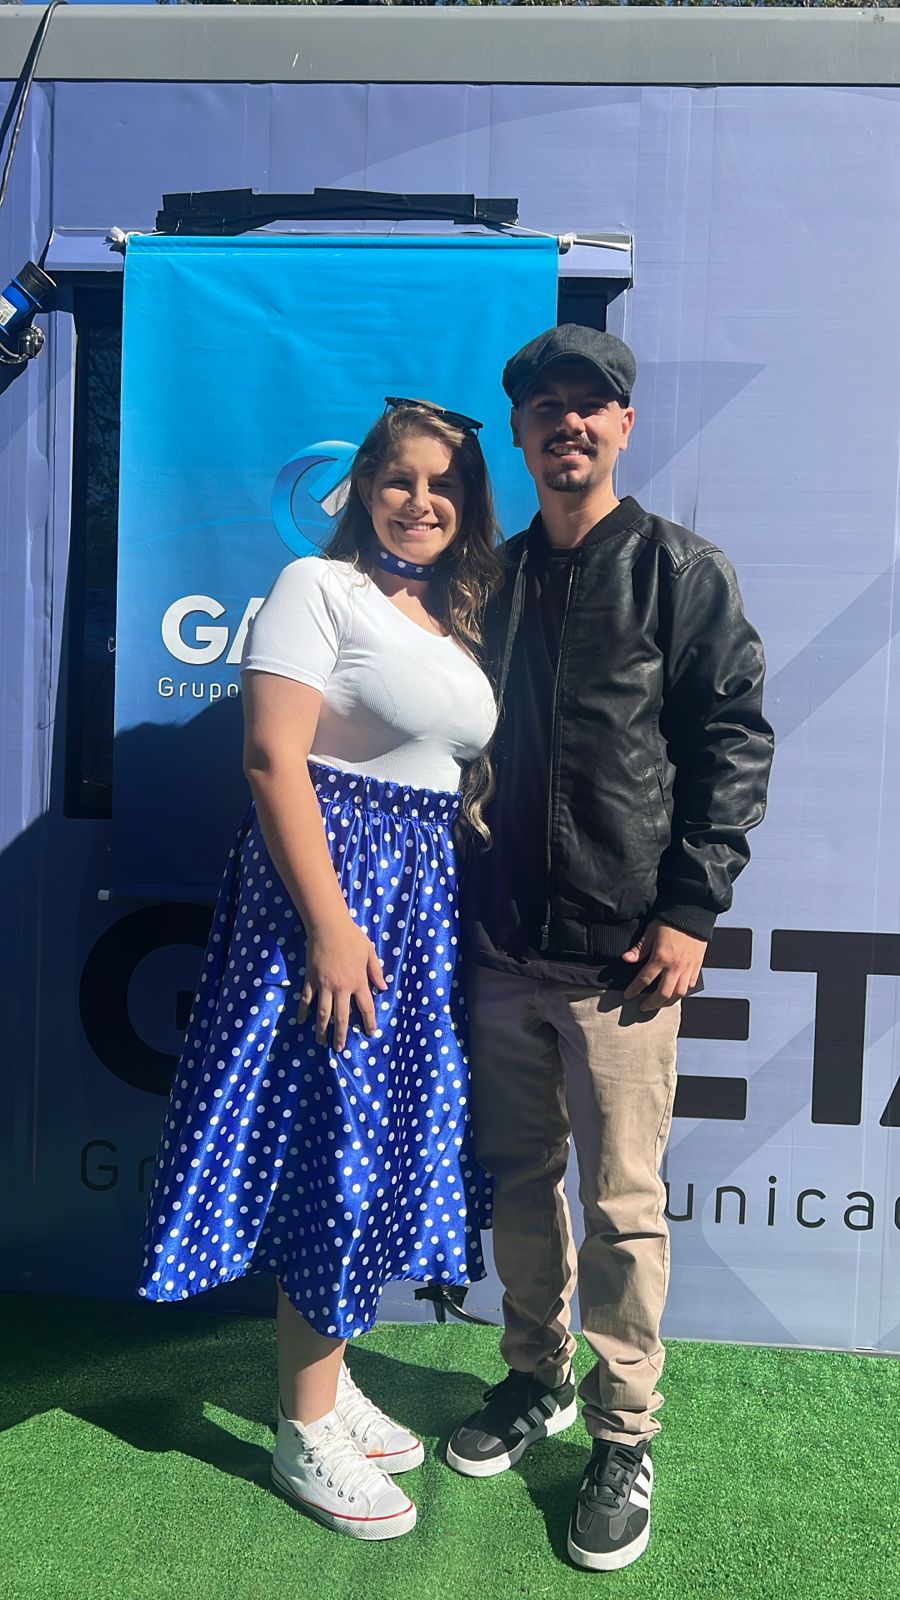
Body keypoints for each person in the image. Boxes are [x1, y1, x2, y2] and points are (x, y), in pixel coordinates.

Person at [138, 397, 501, 1541]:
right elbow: (271, 758)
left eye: (444, 483)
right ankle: (303, 1425)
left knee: (373, 1144)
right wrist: (332, 928)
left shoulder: (451, 616)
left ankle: (328, 1384)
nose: (421, 500)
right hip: (335, 907)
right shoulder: (317, 585)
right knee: (328, 1147)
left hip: (417, 912)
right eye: (400, 478)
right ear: (362, 489)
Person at [446, 325, 775, 1572]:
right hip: (500, 948)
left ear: (624, 426)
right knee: (522, 1184)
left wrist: (690, 909)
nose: (569, 424)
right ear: (521, 432)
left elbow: (732, 740)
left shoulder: (680, 571)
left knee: (625, 1208)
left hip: (624, 962)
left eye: (593, 405)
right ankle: (534, 1375)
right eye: (548, 406)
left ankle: (625, 1431)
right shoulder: (491, 577)